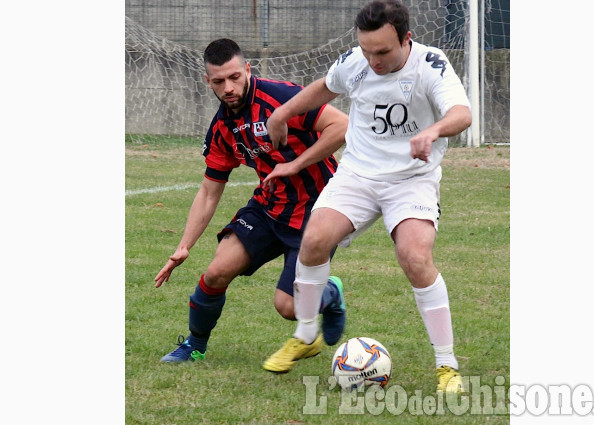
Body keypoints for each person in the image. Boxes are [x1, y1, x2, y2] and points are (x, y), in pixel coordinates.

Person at [263, 0, 472, 393]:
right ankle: (307, 337)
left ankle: (447, 365)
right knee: (314, 240)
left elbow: (462, 113)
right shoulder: (356, 61)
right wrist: (280, 114)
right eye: (367, 50)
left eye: (382, 52)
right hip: (358, 173)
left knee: (415, 256)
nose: (373, 60)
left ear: (406, 39)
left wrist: (432, 131)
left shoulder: (431, 63)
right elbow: (324, 89)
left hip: (411, 179)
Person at [155, 38, 349, 365]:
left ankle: (330, 293)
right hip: (268, 208)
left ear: (247, 69)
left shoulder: (281, 97)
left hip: (317, 212)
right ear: (208, 81)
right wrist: (184, 245)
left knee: (287, 308)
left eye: (234, 77)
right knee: (216, 272)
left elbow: (342, 126)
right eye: (219, 81)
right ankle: (195, 345)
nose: (228, 87)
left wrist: (296, 164)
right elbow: (209, 190)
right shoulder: (221, 128)